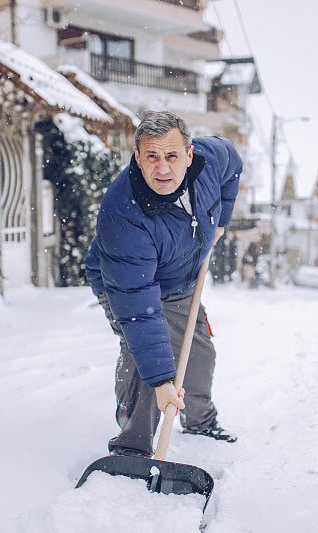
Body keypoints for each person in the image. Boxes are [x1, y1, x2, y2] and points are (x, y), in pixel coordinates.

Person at [84, 111, 241, 458]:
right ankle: (132, 445)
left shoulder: (212, 159)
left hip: (181, 277)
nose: (163, 168)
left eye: (171, 156)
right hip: (125, 283)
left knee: (199, 352)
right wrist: (161, 381)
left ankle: (201, 423)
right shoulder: (122, 214)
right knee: (147, 361)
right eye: (151, 157)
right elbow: (139, 309)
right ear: (137, 157)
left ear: (189, 153)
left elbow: (234, 163)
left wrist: (221, 222)